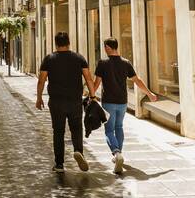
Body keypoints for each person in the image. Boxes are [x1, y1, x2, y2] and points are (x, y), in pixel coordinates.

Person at [89, 38, 159, 175]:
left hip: (108, 102)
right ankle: (118, 155)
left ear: (108, 47)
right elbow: (137, 80)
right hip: (122, 102)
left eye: (105, 47)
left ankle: (116, 153)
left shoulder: (102, 63)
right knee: (119, 127)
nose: (104, 49)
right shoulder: (126, 63)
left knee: (109, 130)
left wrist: (90, 96)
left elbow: (96, 83)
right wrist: (149, 94)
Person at [35, 31, 96, 173]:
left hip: (56, 102)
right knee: (76, 128)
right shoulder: (79, 58)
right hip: (75, 101)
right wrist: (93, 96)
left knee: (58, 132)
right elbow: (88, 78)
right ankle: (78, 151)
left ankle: (59, 164)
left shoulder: (49, 59)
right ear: (69, 42)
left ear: (56, 43)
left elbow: (41, 80)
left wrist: (39, 98)